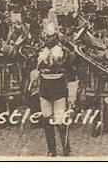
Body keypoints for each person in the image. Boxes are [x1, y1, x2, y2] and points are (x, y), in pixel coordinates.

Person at [32, 22, 71, 157]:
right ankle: (51, 150)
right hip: (45, 88)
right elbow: (34, 65)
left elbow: (68, 65)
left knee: (60, 121)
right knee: (47, 120)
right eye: (46, 37)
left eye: (51, 36)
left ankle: (66, 147)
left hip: (58, 87)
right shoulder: (40, 51)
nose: (48, 39)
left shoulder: (63, 50)